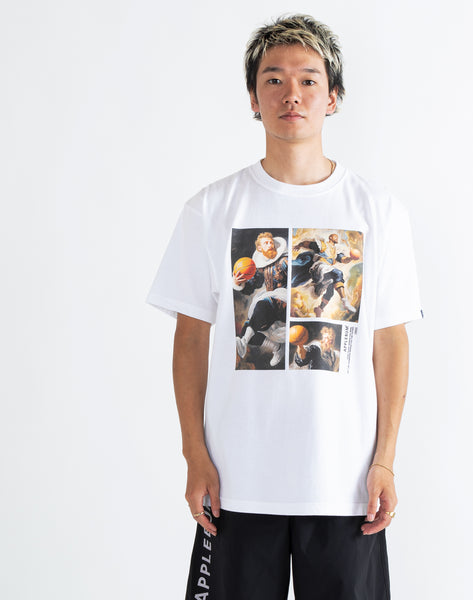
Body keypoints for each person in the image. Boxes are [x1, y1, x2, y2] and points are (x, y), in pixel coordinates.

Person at [146, 13, 424, 600]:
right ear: (253, 99)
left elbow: (389, 341)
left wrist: (385, 460)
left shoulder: (377, 212)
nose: (290, 94)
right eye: (273, 80)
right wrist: (194, 454)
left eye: (307, 80)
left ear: (333, 97)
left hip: (345, 486)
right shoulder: (212, 209)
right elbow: (191, 337)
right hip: (237, 484)